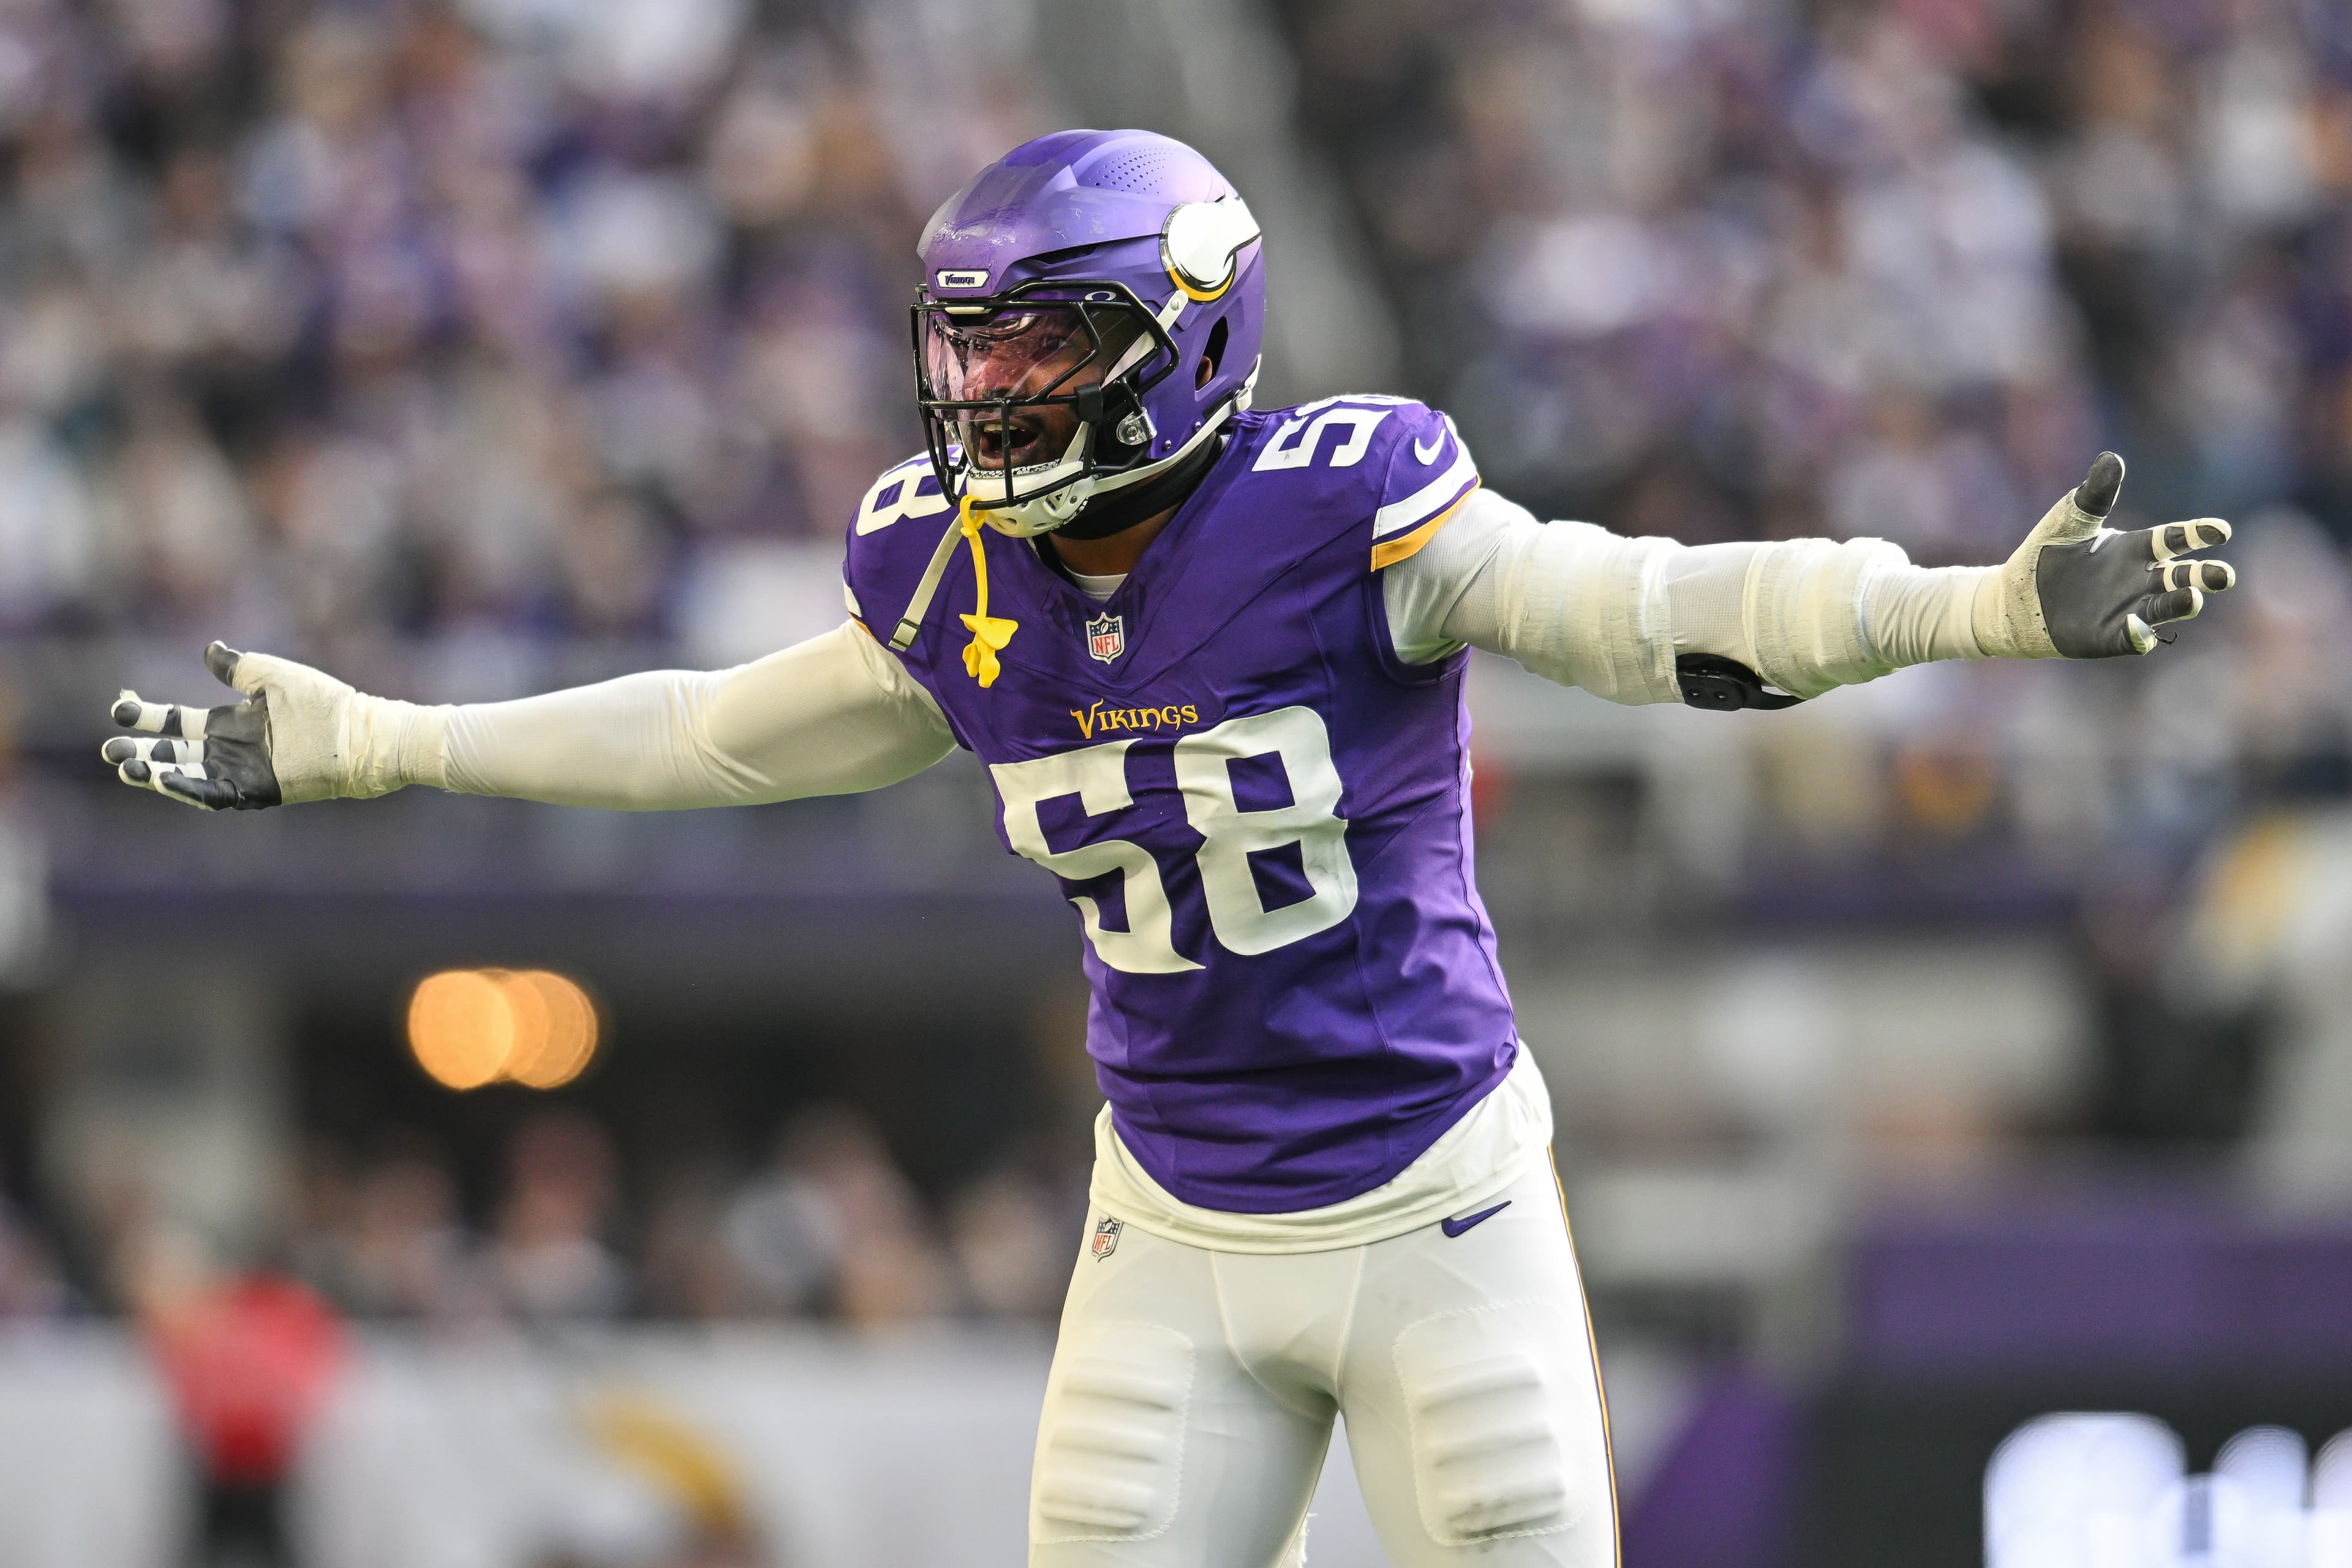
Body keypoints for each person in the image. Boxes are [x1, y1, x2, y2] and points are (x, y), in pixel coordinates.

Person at [100, 130, 2239, 1567]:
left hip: (1435, 1207)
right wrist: (377, 741)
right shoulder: (946, 571)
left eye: (1043, 340)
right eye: (968, 340)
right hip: (1175, 1225)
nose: (988, 388)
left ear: (1188, 335)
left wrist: (1967, 610)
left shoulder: (1346, 507)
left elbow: (1643, 607)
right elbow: (707, 736)